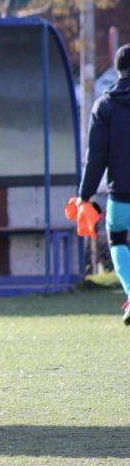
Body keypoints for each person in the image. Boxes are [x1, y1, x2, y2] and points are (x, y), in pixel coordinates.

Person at [78, 44, 130, 325]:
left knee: (117, 240)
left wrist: (84, 196)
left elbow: (95, 157)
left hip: (121, 195)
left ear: (117, 69)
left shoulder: (105, 105)